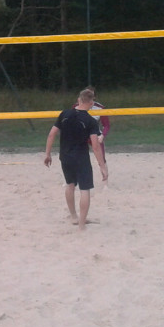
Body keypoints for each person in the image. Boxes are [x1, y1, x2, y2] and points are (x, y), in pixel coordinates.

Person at [44, 87, 109, 230]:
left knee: (70, 185)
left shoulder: (65, 114)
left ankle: (74, 217)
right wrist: (102, 166)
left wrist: (47, 154)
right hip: (81, 158)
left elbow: (51, 134)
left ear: (79, 100)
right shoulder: (90, 121)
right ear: (91, 103)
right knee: (85, 190)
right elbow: (96, 146)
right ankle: (81, 224)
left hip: (65, 156)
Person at [75, 86, 111, 161]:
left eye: (90, 95)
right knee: (78, 158)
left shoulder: (100, 108)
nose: (88, 97)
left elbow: (106, 125)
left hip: (95, 135)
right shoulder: (76, 107)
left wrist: (102, 136)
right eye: (86, 95)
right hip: (81, 135)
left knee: (102, 159)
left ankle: (103, 167)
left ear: (94, 97)